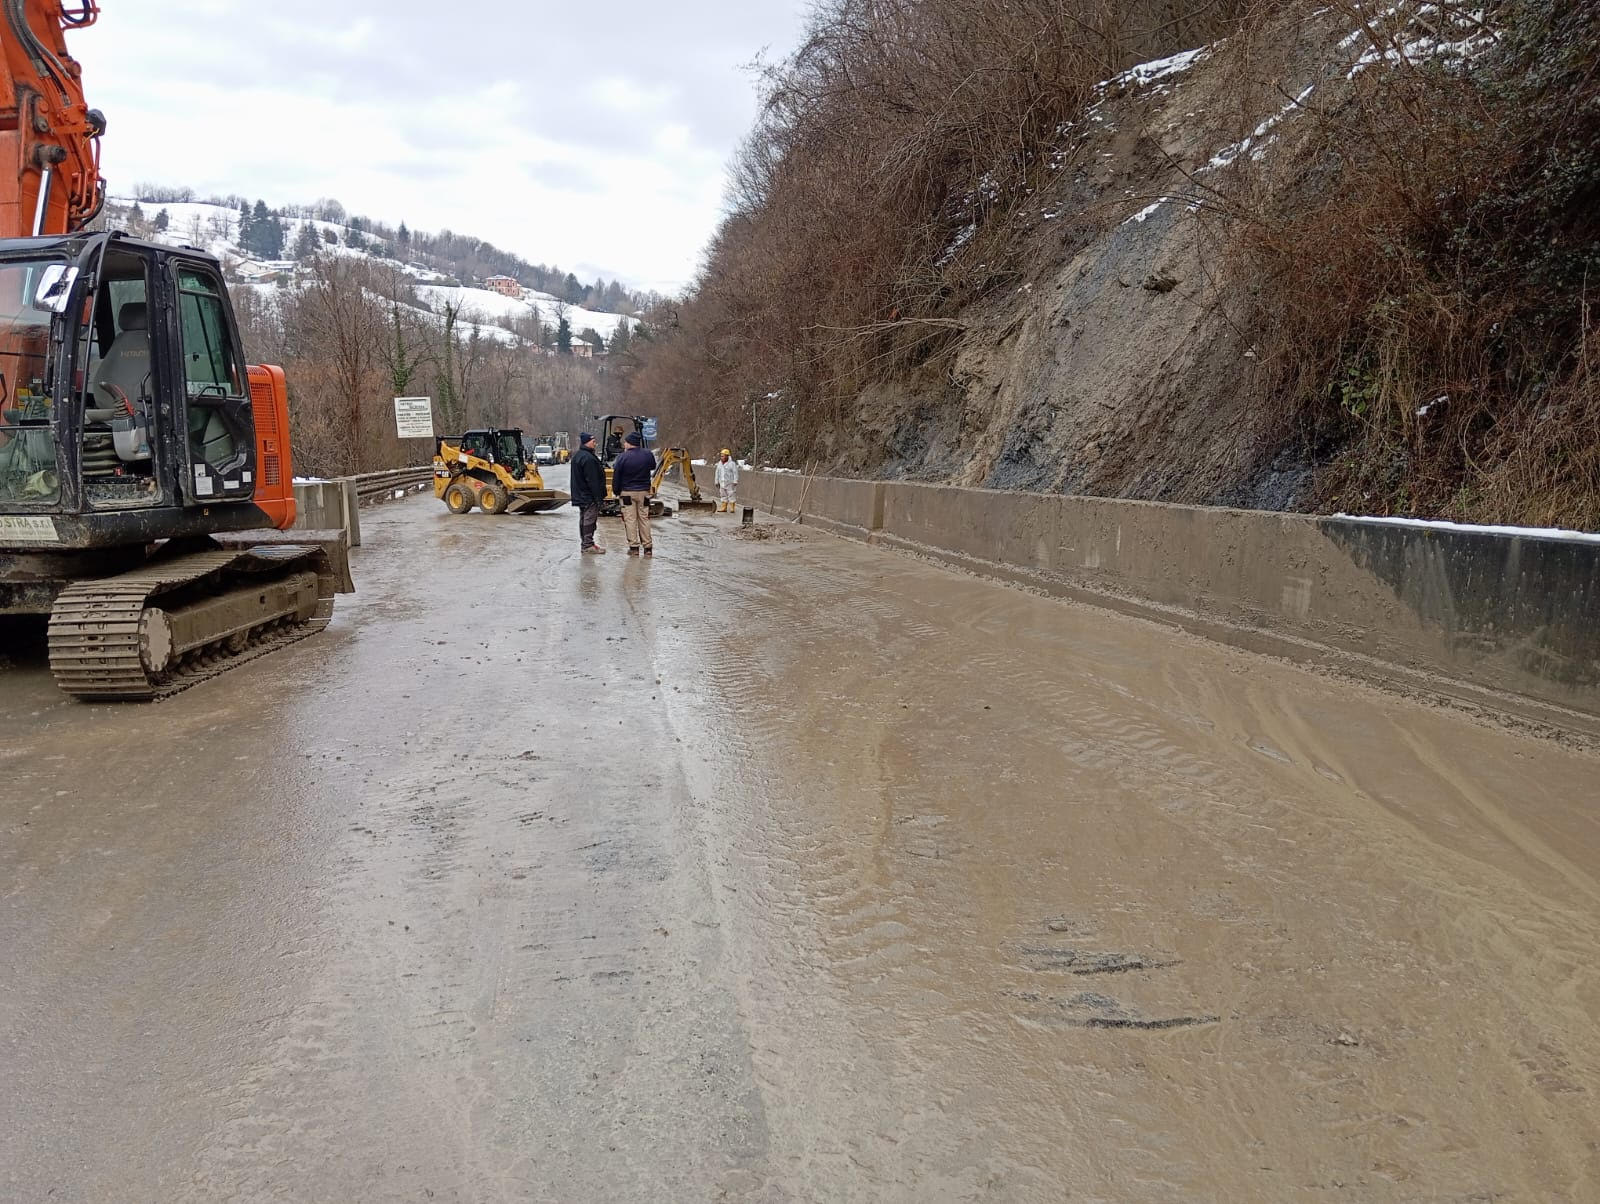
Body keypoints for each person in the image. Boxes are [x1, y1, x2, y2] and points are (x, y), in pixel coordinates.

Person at [610, 431, 657, 556]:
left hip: (627, 493)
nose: (624, 444)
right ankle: (648, 547)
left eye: (626, 442)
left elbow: (616, 476)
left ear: (630, 443)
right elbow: (653, 466)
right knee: (644, 518)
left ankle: (634, 548)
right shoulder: (648, 454)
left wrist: (616, 491)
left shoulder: (622, 457)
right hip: (644, 492)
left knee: (630, 519)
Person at [569, 431, 608, 554]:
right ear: (587, 442)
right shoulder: (588, 458)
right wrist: (598, 498)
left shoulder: (578, 456)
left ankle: (585, 543)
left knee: (584, 518)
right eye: (593, 441)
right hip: (588, 495)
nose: (595, 443)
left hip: (580, 494)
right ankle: (587, 545)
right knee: (589, 520)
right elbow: (593, 480)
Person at [714, 448, 740, 513]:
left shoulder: (732, 464)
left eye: (723, 456)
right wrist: (716, 481)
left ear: (727, 456)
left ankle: (732, 507)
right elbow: (717, 473)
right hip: (722, 482)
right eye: (721, 456)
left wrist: (735, 481)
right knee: (723, 495)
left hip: (730, 483)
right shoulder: (719, 464)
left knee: (731, 494)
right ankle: (724, 507)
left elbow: (735, 473)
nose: (721, 457)